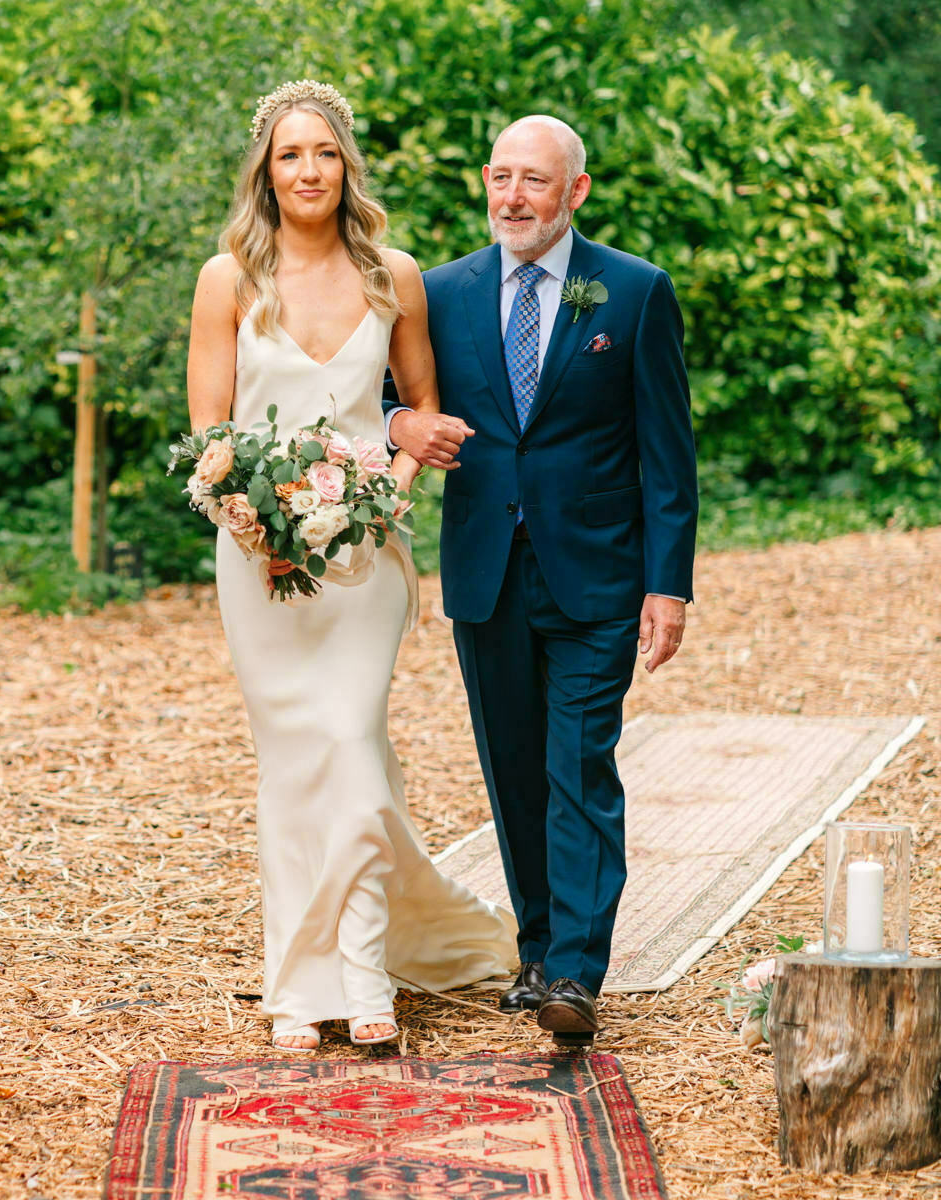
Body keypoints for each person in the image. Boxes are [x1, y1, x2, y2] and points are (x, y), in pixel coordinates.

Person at [187, 79, 517, 1053]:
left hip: (366, 561)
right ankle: (298, 986)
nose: (307, 171)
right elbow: (211, 433)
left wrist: (392, 488)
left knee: (351, 748)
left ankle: (365, 971)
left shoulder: (392, 275)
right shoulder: (228, 280)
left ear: (346, 166)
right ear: (266, 169)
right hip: (261, 561)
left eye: (323, 153)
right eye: (290, 155)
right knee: (296, 767)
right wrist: (249, 514)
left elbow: (423, 410)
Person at [385, 115, 697, 1046]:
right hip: (485, 571)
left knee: (579, 768)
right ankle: (535, 946)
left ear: (576, 192)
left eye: (533, 180)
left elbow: (667, 453)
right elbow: (381, 395)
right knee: (513, 770)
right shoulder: (438, 293)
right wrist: (400, 427)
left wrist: (668, 583)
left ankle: (576, 970)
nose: (512, 196)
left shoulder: (634, 292)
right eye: (500, 176)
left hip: (598, 573)